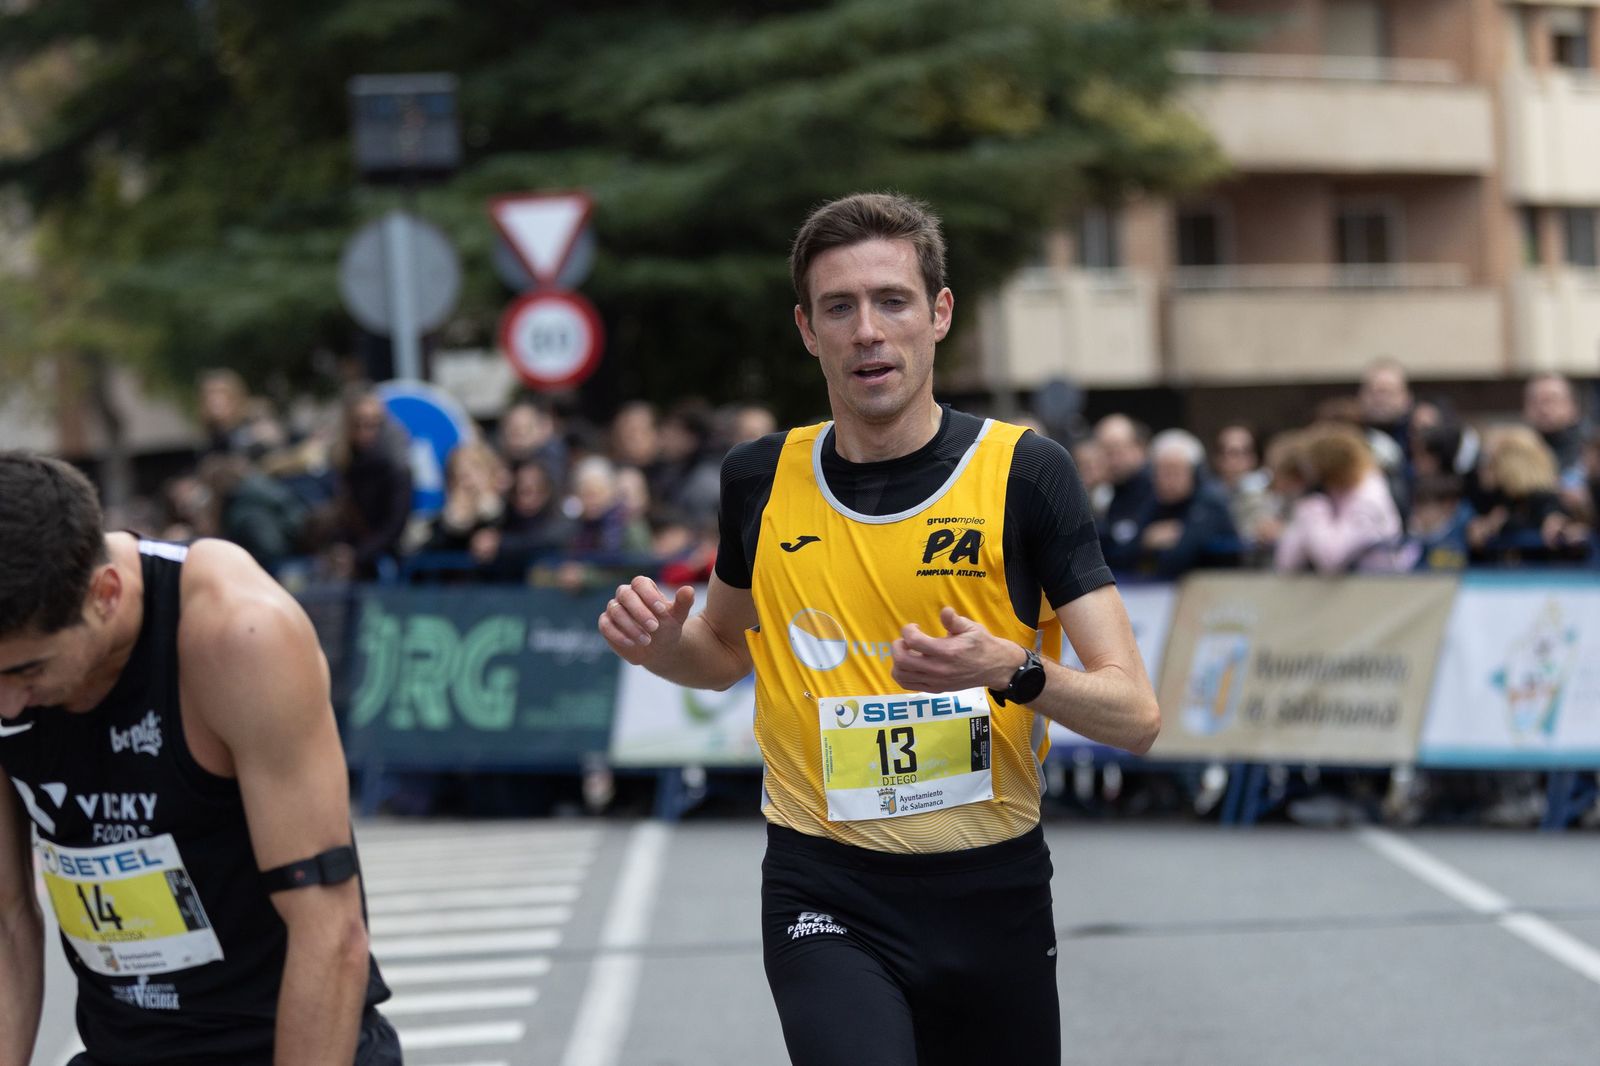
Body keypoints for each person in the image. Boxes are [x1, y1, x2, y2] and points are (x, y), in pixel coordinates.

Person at [596, 192, 1159, 1066]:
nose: (867, 330)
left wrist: (1015, 668)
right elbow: (716, 656)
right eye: (839, 307)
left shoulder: (1025, 474)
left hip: (990, 888)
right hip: (824, 884)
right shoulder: (759, 478)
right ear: (807, 330)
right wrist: (662, 646)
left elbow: (1136, 714)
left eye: (891, 301)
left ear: (938, 315)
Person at [0, 453, 396, 1066]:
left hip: (285, 1044)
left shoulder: (238, 635)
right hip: (121, 1049)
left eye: (29, 669)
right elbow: (5, 918)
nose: (8, 702)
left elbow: (330, 932)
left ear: (104, 594)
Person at [1273, 422, 1406, 573]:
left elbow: (1331, 560)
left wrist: (1313, 511)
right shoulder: (1332, 496)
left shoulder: (1368, 497)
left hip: (1375, 587)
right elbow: (1286, 562)